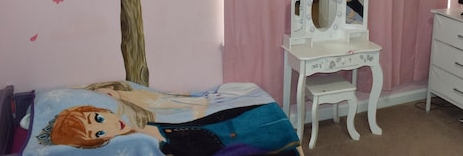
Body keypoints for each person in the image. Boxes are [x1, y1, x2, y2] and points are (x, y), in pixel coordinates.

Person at [46, 103, 301, 155]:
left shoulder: (143, 122)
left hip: (228, 125)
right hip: (227, 140)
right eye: (99, 134)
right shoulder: (139, 143)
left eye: (98, 119)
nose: (109, 126)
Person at [83, 80, 210, 127]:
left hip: (160, 100)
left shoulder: (131, 92)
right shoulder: (122, 106)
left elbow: (157, 96)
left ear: (109, 86)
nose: (103, 97)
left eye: (98, 92)